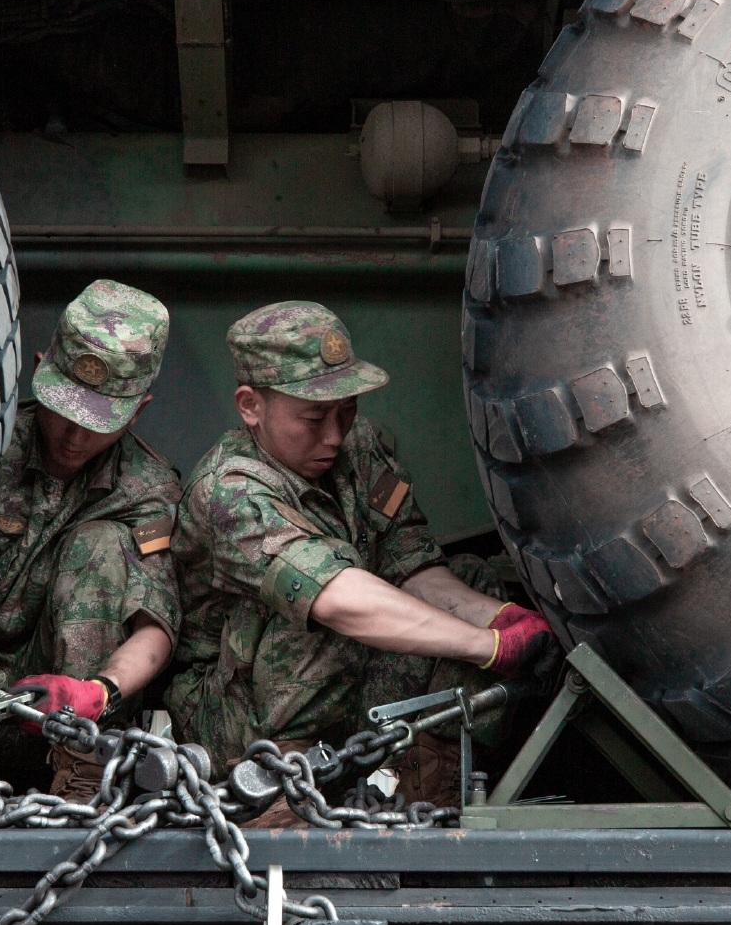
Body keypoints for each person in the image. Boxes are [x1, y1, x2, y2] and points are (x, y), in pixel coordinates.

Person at [166, 300, 552, 823]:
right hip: (239, 719)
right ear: (250, 405)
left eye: (347, 411)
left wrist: (498, 620)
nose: (334, 434)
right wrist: (487, 647)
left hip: (344, 691)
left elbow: (412, 568)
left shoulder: (358, 448)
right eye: (313, 417)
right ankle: (284, 792)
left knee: (471, 579)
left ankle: (421, 775)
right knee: (315, 609)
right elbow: (338, 599)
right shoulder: (230, 490)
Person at [0, 279, 181, 801]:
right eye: (63, 407)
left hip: (74, 712)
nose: (73, 435)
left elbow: (155, 629)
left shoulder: (149, 491)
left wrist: (95, 693)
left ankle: (81, 773)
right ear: (40, 367)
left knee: (103, 544)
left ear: (138, 410)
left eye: (98, 422)